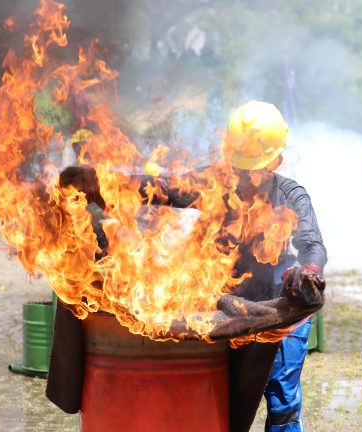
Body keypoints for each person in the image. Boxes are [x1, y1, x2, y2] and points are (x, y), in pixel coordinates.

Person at [52, 101, 327, 431]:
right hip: (232, 312)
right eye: (240, 167)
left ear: (277, 160)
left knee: (282, 401)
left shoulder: (290, 196)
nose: (246, 177)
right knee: (225, 400)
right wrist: (106, 182)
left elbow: (311, 243)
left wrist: (309, 271)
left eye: (254, 168)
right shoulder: (214, 185)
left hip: (276, 310)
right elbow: (162, 188)